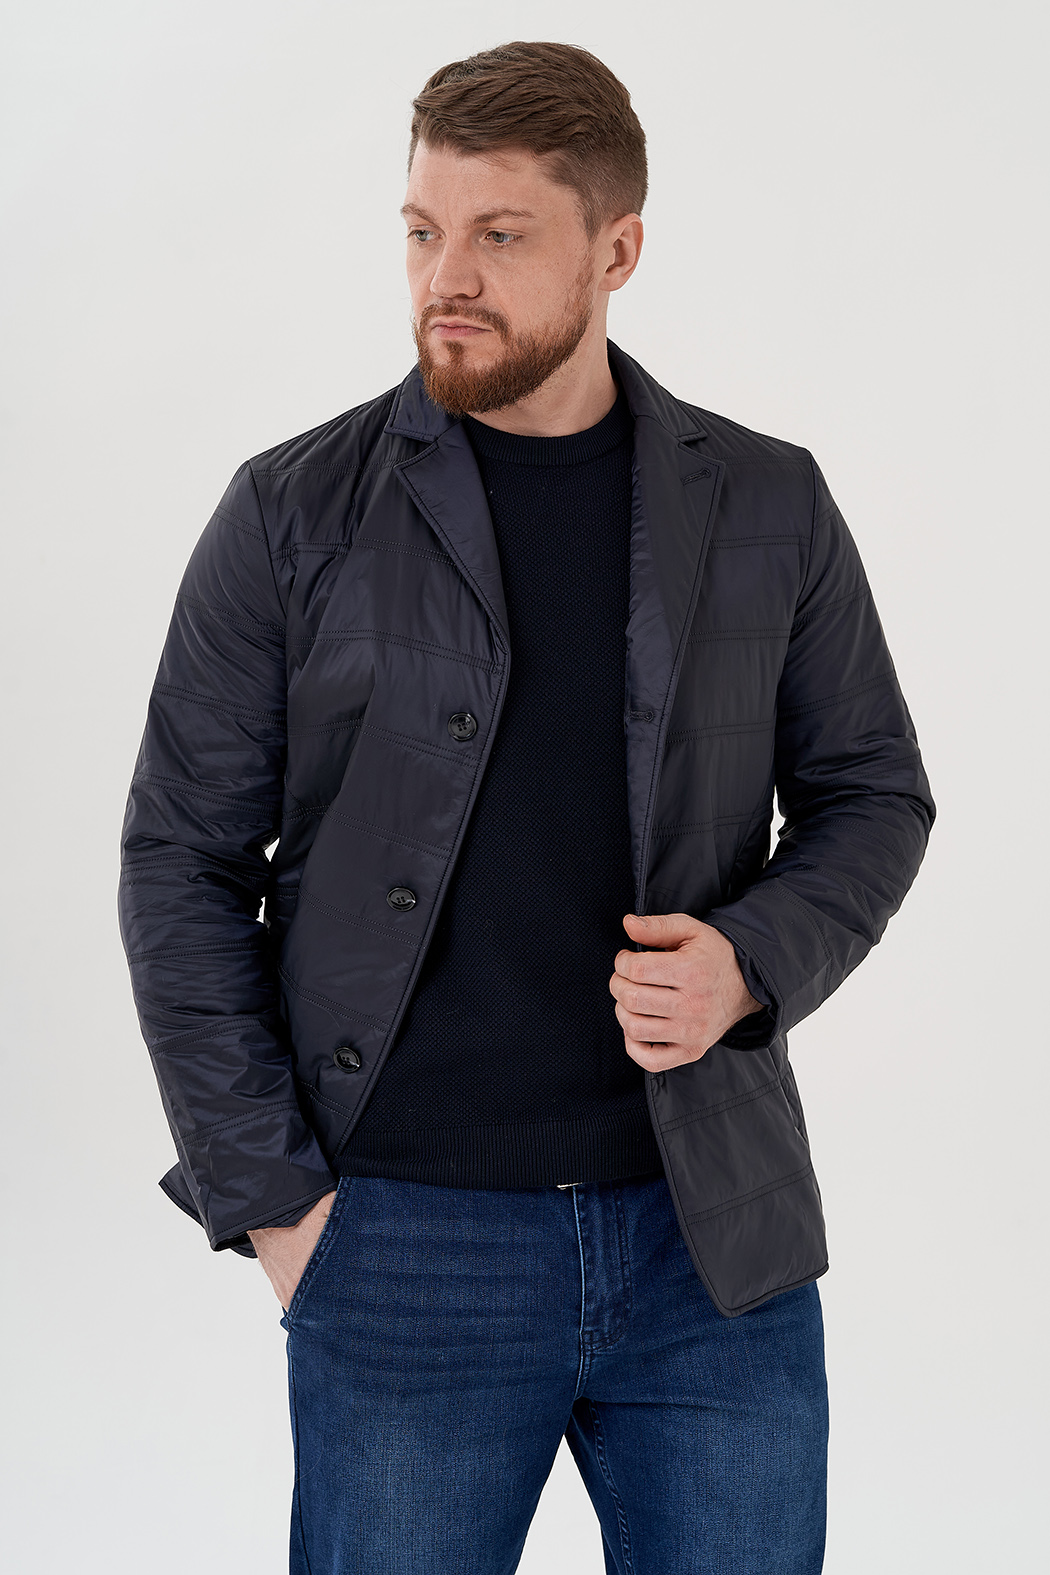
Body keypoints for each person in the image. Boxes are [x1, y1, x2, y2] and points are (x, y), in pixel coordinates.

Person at [118, 39, 935, 1575]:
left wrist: (749, 961)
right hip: (400, 1242)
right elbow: (179, 861)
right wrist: (278, 1207)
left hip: (713, 1242)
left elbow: (871, 794)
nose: (448, 276)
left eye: (500, 235)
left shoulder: (768, 503)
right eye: (423, 230)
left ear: (615, 250)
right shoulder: (292, 510)